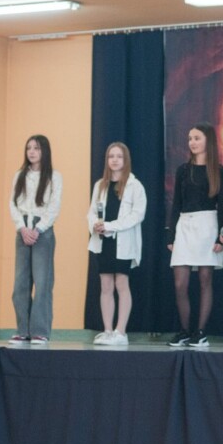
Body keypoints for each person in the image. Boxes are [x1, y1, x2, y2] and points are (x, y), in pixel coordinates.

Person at [166, 124, 223, 348]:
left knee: (205, 280)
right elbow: (176, 204)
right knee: (180, 283)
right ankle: (184, 330)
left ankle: (200, 332)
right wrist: (171, 236)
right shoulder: (183, 170)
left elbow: (222, 207)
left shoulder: (218, 171)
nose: (192, 142)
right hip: (185, 225)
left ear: (208, 141)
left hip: (208, 226)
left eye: (197, 138)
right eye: (190, 138)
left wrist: (221, 237)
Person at [87, 142, 148, 346]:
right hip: (103, 242)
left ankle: (120, 332)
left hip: (123, 242)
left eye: (119, 156)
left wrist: (110, 226)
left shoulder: (135, 186)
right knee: (105, 285)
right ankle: (107, 330)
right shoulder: (100, 185)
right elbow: (91, 212)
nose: (114, 160)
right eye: (111, 156)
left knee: (121, 283)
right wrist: (95, 225)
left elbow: (137, 215)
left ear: (125, 160)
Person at [8, 134, 62, 346]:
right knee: (20, 283)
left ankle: (40, 331)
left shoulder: (54, 177)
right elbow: (13, 204)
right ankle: (22, 330)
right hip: (22, 229)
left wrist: (38, 229)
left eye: (36, 148)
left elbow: (54, 207)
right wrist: (22, 228)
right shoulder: (19, 175)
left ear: (44, 151)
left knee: (42, 283)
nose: (31, 152)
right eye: (29, 148)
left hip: (43, 231)